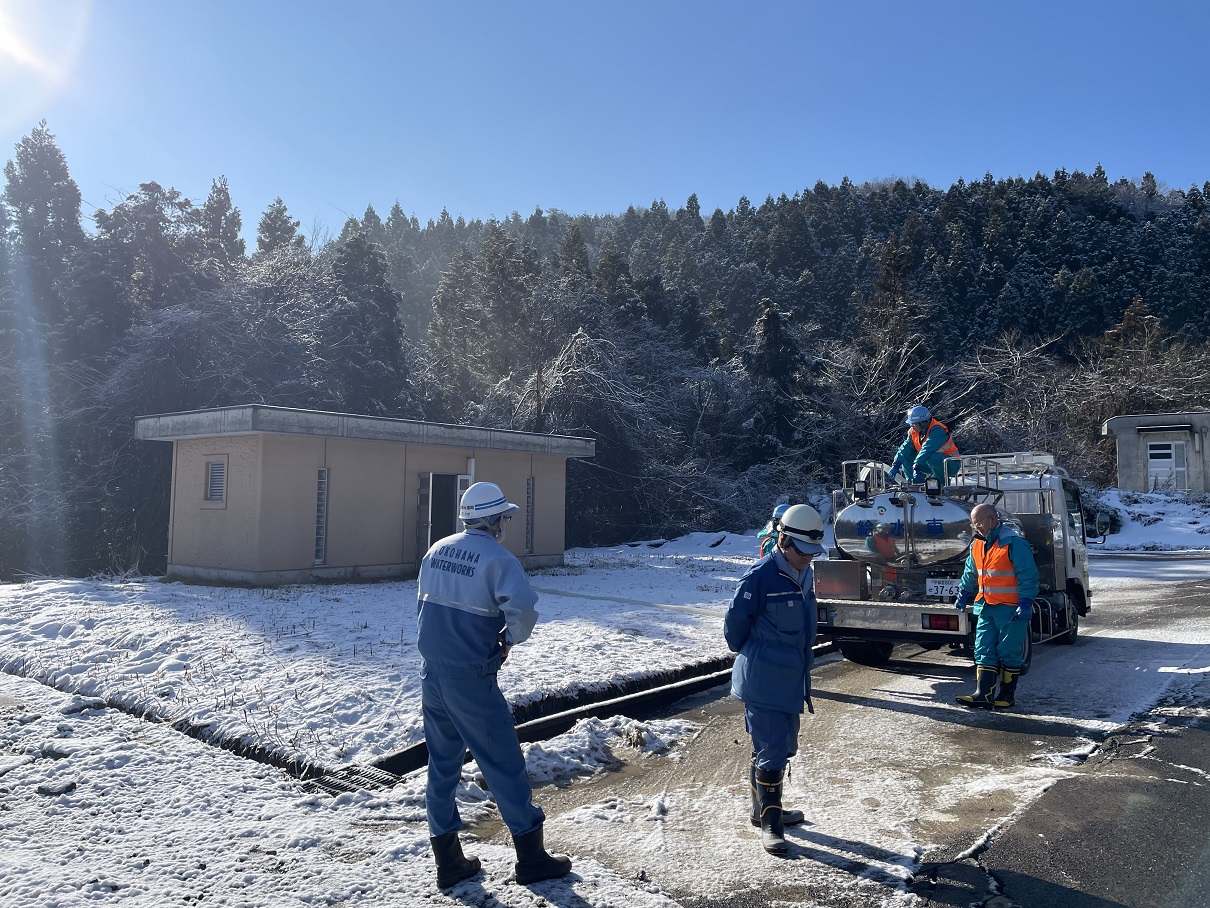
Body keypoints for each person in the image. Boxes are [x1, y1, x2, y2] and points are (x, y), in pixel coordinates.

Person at [417, 481, 572, 889]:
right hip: (471, 677)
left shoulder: (437, 550)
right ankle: (532, 858)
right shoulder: (498, 559)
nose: (506, 521)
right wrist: (508, 640)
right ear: (492, 520)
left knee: (442, 765)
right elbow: (522, 612)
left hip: (432, 674)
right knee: (503, 763)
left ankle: (448, 862)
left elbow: (423, 607)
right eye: (504, 515)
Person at [724, 503, 824, 856]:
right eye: (802, 551)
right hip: (763, 676)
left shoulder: (805, 573)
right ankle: (771, 823)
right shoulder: (759, 577)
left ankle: (763, 808)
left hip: (791, 676)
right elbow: (735, 627)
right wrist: (756, 653)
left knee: (784, 746)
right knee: (772, 749)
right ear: (783, 541)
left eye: (813, 553)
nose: (807, 559)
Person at [953, 502, 1040, 709]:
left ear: (992, 519)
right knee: (983, 649)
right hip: (986, 606)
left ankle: (1007, 696)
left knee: (1008, 652)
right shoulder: (977, 545)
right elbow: (971, 572)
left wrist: (1026, 602)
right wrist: (964, 592)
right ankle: (983, 694)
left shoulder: (1014, 543)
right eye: (974, 525)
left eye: (979, 523)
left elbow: (1028, 575)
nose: (977, 528)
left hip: (1011, 609)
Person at [888, 405, 960, 484]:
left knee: (932, 456)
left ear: (923, 422)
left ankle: (940, 484)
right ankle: (913, 484)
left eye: (913, 423)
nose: (911, 426)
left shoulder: (937, 430)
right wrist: (896, 463)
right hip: (931, 463)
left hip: (950, 464)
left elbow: (927, 449)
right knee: (907, 456)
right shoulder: (913, 432)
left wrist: (916, 466)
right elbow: (906, 447)